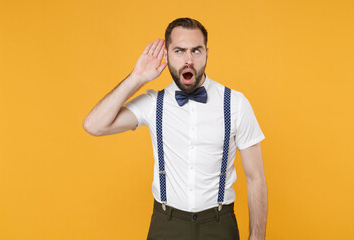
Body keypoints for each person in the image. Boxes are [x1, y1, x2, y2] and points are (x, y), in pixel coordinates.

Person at [83, 17, 267, 240]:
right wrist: (137, 78)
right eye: (179, 51)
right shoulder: (153, 103)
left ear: (207, 54)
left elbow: (255, 177)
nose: (188, 60)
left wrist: (257, 238)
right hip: (166, 225)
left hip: (219, 226)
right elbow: (94, 125)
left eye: (196, 51)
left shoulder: (236, 103)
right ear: (167, 55)